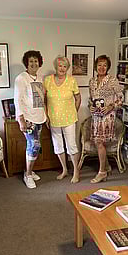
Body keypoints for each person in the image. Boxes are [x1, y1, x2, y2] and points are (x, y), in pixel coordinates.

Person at [44, 55, 81, 183]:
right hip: (53, 119)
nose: (62, 68)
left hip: (69, 119)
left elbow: (78, 98)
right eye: (60, 65)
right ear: (56, 66)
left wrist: (73, 111)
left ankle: (76, 171)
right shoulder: (48, 80)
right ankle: (64, 169)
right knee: (58, 146)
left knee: (72, 146)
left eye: (65, 66)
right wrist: (46, 115)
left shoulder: (71, 80)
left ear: (67, 68)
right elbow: (43, 100)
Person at [89, 55, 124, 183]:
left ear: (108, 67)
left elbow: (121, 98)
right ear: (95, 66)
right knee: (99, 142)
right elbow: (91, 99)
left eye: (104, 65)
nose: (102, 67)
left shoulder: (112, 80)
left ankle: (102, 172)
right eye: (99, 65)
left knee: (99, 142)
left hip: (107, 116)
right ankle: (107, 166)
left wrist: (111, 106)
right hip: (96, 116)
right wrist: (90, 107)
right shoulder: (92, 81)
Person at [14, 50, 46, 189]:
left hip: (39, 117)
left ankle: (30, 171)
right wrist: (20, 119)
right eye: (31, 61)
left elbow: (42, 99)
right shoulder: (21, 78)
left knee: (35, 147)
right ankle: (27, 175)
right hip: (28, 119)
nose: (33, 63)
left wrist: (46, 116)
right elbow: (17, 100)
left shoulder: (40, 78)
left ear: (39, 63)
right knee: (34, 146)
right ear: (26, 63)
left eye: (36, 61)